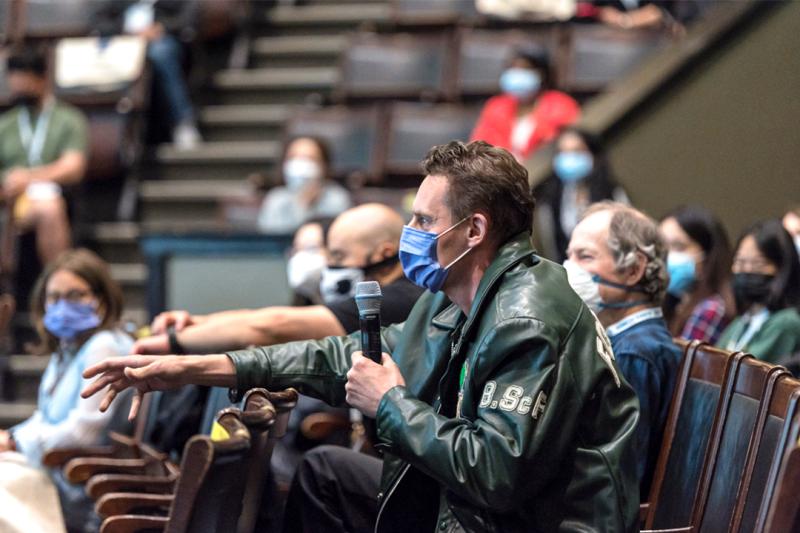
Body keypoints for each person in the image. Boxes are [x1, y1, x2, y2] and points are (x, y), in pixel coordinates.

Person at [83, 141, 640, 532]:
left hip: (525, 522)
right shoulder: (456, 299)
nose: (410, 236)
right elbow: (337, 356)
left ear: (474, 231)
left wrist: (391, 403)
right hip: (475, 512)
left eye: (424, 221)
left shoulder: (527, 318)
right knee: (326, 474)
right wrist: (199, 366)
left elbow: (496, 471)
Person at [135, 203, 420, 356]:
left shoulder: (393, 299)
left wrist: (173, 342)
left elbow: (272, 326)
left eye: (338, 256)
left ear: (383, 253)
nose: (330, 267)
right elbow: (261, 317)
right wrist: (199, 323)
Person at [0, 248, 133, 532]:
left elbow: (82, 432)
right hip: (54, 472)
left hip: (80, 485)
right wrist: (10, 437)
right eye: (54, 297)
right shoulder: (68, 349)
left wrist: (15, 443)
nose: (63, 306)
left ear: (101, 299)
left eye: (75, 295)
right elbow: (45, 418)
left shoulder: (105, 345)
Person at [565, 200, 681, 498]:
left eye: (585, 256)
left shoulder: (634, 353)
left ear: (633, 270)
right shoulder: (631, 341)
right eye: (569, 256)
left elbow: (621, 472)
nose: (569, 268)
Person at [0, 47, 88, 266]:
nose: (18, 89)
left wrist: (28, 178)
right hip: (6, 195)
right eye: (14, 83)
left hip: (39, 197)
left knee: (49, 208)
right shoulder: (6, 124)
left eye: (24, 83)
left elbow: (73, 167)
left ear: (42, 79)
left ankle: (58, 283)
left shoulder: (68, 119)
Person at [91, 0, 202, 149]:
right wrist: (126, 30)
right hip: (123, 41)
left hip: (161, 40)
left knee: (160, 53)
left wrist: (160, 28)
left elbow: (187, 18)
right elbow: (98, 20)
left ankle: (182, 122)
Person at [533, 127, 628, 262]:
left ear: (592, 154)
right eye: (563, 152)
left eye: (577, 151)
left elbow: (627, 236)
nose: (570, 158)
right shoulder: (551, 201)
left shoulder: (612, 191)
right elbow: (552, 249)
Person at [470, 50, 580, 161]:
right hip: (499, 174)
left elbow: (569, 143)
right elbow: (479, 147)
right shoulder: (496, 106)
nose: (517, 75)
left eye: (524, 69)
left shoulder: (560, 105)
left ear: (541, 74)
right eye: (513, 69)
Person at [717, 220, 800, 363]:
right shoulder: (743, 320)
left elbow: (747, 371)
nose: (747, 270)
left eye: (758, 264)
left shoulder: (786, 322)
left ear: (783, 268)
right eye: (740, 262)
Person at [659, 206, 735, 344]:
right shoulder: (677, 304)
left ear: (707, 255)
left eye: (678, 246)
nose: (667, 255)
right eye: (661, 246)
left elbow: (681, 365)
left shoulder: (711, 310)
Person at [257, 136, 352, 235]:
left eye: (309, 158)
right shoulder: (276, 198)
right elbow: (270, 236)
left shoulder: (337, 198)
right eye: (293, 157)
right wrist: (301, 204)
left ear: (324, 165)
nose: (300, 163)